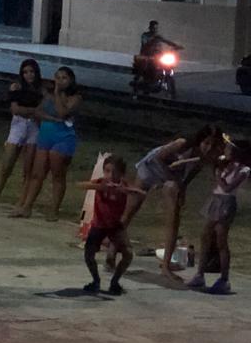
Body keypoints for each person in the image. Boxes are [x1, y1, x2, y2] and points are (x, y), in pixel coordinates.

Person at [122, 125, 223, 280]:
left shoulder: (208, 155)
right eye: (206, 143)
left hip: (174, 176)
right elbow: (159, 158)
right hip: (152, 167)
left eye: (213, 144)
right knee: (131, 209)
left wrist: (183, 188)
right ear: (200, 140)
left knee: (174, 217)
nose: (209, 148)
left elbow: (193, 171)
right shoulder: (182, 143)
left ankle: (166, 265)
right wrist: (172, 179)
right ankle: (111, 252)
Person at [12, 66, 82, 221]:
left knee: (57, 174)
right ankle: (27, 207)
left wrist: (57, 94)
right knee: (37, 173)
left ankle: (54, 210)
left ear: (71, 80)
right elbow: (38, 111)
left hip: (63, 137)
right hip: (46, 134)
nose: (60, 81)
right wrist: (51, 118)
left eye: (64, 78)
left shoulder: (75, 98)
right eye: (58, 77)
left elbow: (63, 112)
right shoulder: (49, 95)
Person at [188, 139, 251, 294]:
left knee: (221, 240)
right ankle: (200, 274)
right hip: (215, 199)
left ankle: (224, 279)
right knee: (205, 236)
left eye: (228, 148)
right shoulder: (225, 164)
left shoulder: (244, 169)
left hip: (226, 202)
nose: (225, 151)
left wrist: (218, 175)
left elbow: (228, 188)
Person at [0, 59, 44, 214]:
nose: (29, 75)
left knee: (28, 168)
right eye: (25, 72)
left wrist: (30, 111)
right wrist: (32, 111)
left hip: (33, 127)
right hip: (19, 125)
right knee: (6, 165)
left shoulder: (41, 90)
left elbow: (40, 110)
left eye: (31, 72)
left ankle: (21, 204)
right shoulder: (16, 87)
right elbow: (16, 110)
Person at [77, 155, 142, 296]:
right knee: (89, 254)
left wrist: (126, 190)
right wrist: (101, 187)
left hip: (115, 226)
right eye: (107, 171)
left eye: (115, 172)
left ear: (121, 174)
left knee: (128, 254)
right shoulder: (101, 182)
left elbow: (140, 192)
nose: (110, 176)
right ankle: (95, 280)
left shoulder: (123, 184)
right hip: (99, 225)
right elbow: (81, 185)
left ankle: (115, 282)